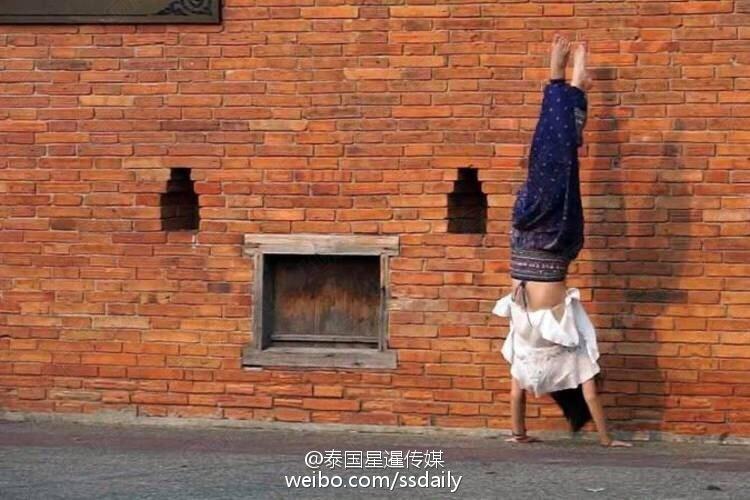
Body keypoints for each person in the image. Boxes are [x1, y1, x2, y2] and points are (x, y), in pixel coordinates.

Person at [492, 34, 631, 448]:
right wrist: (518, 435)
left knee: (557, 160)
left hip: (554, 243)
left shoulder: (574, 358)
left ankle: (566, 82)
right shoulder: (525, 361)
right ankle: (568, 85)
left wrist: (607, 440)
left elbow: (591, 398)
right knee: (551, 158)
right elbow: (516, 398)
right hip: (526, 241)